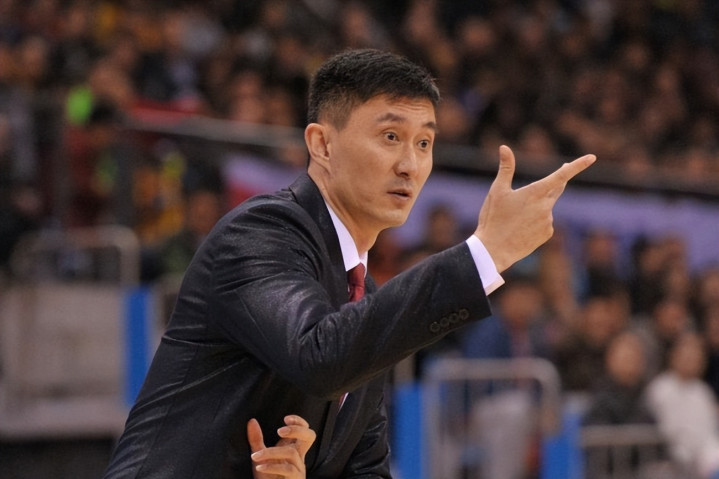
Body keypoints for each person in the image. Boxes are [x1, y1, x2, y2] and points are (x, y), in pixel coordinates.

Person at [103, 48, 595, 478]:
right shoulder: (261, 231)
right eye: (390, 136)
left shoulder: (363, 295)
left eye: (424, 143)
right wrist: (485, 254)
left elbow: (366, 469)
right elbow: (319, 355)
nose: (410, 164)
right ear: (321, 144)